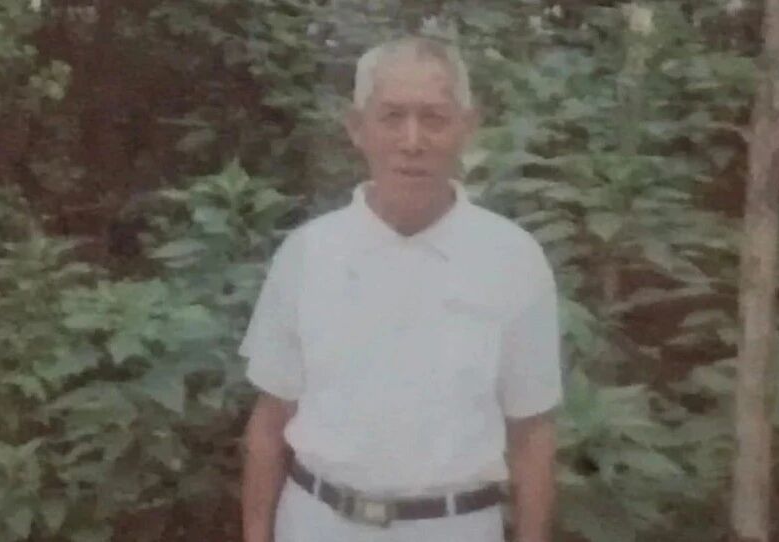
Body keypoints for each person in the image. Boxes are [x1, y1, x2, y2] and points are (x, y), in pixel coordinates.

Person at [239, 36, 562, 542]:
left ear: (467, 127)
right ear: (357, 128)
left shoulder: (513, 259)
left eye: (434, 118)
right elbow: (269, 421)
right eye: (391, 117)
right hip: (316, 522)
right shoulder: (308, 253)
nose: (412, 141)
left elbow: (532, 436)